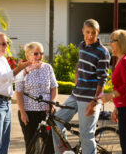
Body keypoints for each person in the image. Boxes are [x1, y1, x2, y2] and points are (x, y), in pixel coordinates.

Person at [52, 19, 110, 154]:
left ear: (98, 33)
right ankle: (66, 152)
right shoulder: (82, 45)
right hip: (76, 94)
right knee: (56, 123)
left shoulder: (103, 52)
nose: (90, 36)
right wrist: (77, 78)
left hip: (90, 99)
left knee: (86, 135)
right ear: (83, 31)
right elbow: (80, 64)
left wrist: (95, 102)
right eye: (87, 32)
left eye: (93, 33)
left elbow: (102, 80)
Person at [0, 31, 32, 154]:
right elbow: (3, 77)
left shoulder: (1, 58)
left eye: (7, 43)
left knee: (4, 142)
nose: (6, 46)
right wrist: (19, 68)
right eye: (3, 44)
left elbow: (11, 78)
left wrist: (23, 71)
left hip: (6, 103)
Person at [97, 29, 126, 154]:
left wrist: (110, 96)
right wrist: (116, 107)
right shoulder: (121, 60)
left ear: (122, 42)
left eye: (113, 41)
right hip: (123, 106)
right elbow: (121, 86)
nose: (110, 44)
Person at [15, 42, 58, 154]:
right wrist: (23, 112)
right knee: (31, 145)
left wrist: (52, 103)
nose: (40, 56)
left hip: (47, 112)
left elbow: (54, 87)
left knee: (49, 145)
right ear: (28, 55)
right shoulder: (22, 70)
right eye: (36, 53)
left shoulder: (48, 68)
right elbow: (18, 93)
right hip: (29, 113)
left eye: (41, 53)